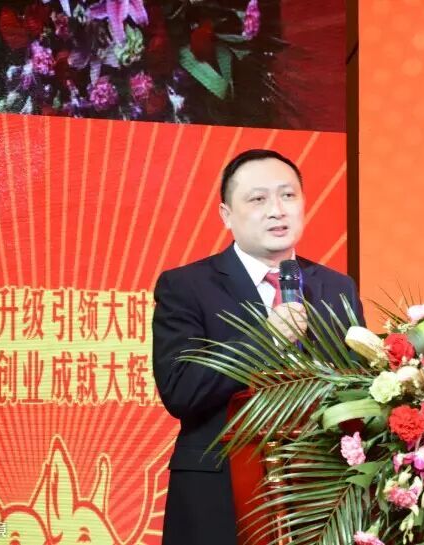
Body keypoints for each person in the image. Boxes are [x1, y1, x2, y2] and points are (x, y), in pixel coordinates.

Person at [152, 149, 364, 545]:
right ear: (226, 214)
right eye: (258, 199)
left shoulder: (337, 287)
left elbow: (355, 389)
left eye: (288, 195)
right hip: (220, 498)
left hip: (319, 499)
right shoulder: (186, 286)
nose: (277, 210)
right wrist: (266, 339)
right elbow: (180, 389)